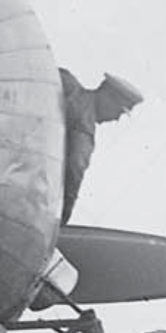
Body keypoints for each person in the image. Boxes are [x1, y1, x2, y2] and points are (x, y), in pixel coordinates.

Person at [58, 69, 143, 223]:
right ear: (108, 97)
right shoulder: (84, 128)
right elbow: (74, 169)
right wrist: (64, 217)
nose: (117, 118)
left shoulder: (65, 80)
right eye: (120, 110)